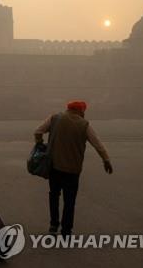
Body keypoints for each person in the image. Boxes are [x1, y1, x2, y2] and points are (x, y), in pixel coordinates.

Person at [34, 101, 113, 237]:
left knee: (54, 195)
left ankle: (53, 225)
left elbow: (38, 131)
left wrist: (40, 144)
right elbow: (97, 144)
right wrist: (106, 160)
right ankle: (66, 230)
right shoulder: (84, 125)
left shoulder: (55, 118)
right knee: (69, 200)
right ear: (81, 111)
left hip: (54, 167)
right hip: (73, 169)